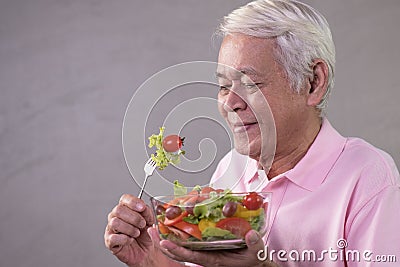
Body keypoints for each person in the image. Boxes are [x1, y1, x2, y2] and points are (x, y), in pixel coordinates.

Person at [104, 0, 400, 266]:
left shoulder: (368, 177)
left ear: (313, 82)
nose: (229, 103)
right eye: (223, 85)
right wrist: (154, 261)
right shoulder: (228, 170)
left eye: (249, 84)